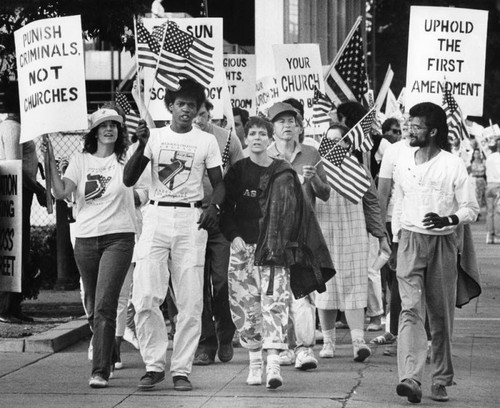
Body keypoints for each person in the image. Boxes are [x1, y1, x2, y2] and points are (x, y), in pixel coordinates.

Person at [123, 79, 224, 392]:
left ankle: (181, 369)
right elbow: (128, 179)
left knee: (191, 300)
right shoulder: (154, 137)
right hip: (156, 215)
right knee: (145, 295)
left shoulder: (206, 141)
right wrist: (141, 145)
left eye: (192, 105)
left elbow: (220, 182)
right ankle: (153, 365)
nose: (186, 110)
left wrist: (214, 207)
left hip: (191, 219)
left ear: (197, 110)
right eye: (181, 104)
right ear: (170, 106)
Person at [43, 107, 137, 388]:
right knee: (93, 306)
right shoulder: (79, 160)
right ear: (94, 131)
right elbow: (61, 192)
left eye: (114, 125)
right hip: (85, 239)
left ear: (120, 131)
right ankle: (109, 349)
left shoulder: (126, 159)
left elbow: (141, 174)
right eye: (103, 125)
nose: (109, 129)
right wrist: (48, 159)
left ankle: (100, 370)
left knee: (106, 304)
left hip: (119, 238)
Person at [392, 102, 478, 403]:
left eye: (415, 127)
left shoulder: (452, 164)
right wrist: (396, 237)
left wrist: (449, 220)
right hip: (410, 242)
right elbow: (399, 198)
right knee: (410, 309)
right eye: (409, 125)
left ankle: (440, 379)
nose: (409, 131)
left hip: (442, 244)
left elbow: (471, 209)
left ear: (432, 131)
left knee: (440, 316)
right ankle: (411, 377)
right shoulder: (403, 160)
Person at [315, 123, 390, 363]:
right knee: (325, 288)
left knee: (355, 286)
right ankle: (328, 341)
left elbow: (372, 204)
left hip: (354, 231)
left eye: (341, 140)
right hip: (324, 231)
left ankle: (358, 342)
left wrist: (380, 236)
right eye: (330, 140)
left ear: (349, 144)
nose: (336, 145)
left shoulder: (359, 169)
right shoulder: (317, 168)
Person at [266, 101, 330, 371]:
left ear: (299, 125)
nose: (287, 125)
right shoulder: (263, 154)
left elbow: (325, 193)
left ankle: (304, 349)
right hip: (274, 235)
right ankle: (285, 346)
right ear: (272, 129)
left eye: (291, 120)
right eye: (281, 121)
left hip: (306, 233)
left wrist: (314, 179)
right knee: (277, 294)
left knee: (303, 291)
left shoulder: (312, 153)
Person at [191, 100, 244, 366]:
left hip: (222, 219)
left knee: (222, 281)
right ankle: (206, 342)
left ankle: (225, 332)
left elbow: (241, 176)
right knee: (196, 284)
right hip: (191, 217)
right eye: (194, 114)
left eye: (202, 114)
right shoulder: (180, 138)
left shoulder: (226, 140)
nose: (198, 119)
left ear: (210, 114)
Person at [0, 83, 48, 324]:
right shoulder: (12, 128)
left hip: (19, 194)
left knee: (20, 247)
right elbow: (15, 167)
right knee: (13, 248)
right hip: (14, 194)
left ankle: (13, 306)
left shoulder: (18, 128)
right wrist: (38, 189)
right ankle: (5, 307)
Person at [485, 138, 500, 244]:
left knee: (490, 212)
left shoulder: (489, 157)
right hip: (497, 185)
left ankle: (490, 235)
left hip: (489, 184)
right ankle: (497, 235)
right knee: (498, 212)